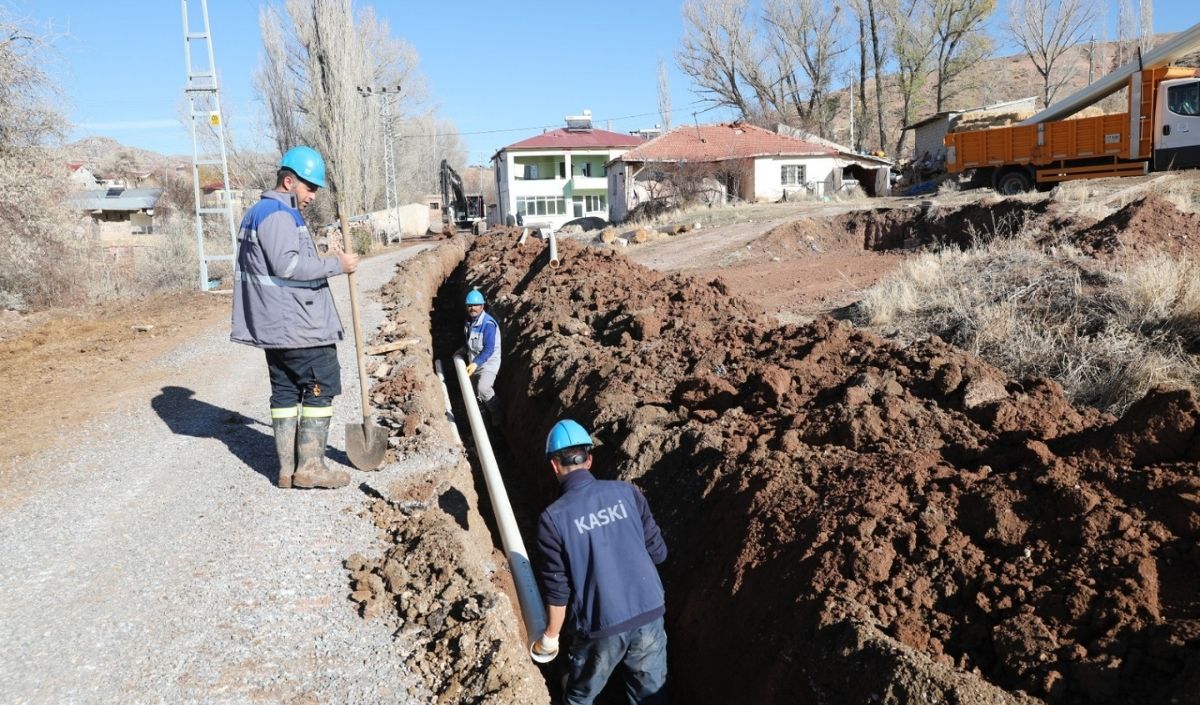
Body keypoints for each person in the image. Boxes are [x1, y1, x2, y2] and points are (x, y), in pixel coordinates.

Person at [231, 145, 360, 490]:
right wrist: (337, 264)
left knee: (286, 392)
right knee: (320, 388)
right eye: (310, 187)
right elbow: (288, 266)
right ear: (289, 182)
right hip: (300, 327)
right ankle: (312, 466)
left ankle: (287, 470)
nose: (313, 196)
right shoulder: (278, 215)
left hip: (277, 327)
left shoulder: (259, 213)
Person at [532, 419, 669, 705]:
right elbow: (659, 553)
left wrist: (550, 637)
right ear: (590, 460)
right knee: (650, 698)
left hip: (601, 625)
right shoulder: (627, 493)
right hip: (649, 613)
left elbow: (559, 591)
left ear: (554, 466)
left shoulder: (552, 519)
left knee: (581, 696)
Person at [457, 288, 503, 424]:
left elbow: (489, 349)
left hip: (488, 363)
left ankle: (497, 414)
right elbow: (469, 342)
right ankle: (482, 416)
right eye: (470, 305)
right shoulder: (469, 322)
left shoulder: (488, 324)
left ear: (482, 306)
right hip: (474, 362)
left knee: (483, 389)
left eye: (476, 305)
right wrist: (462, 350)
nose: (473, 308)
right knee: (471, 392)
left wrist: (476, 363)